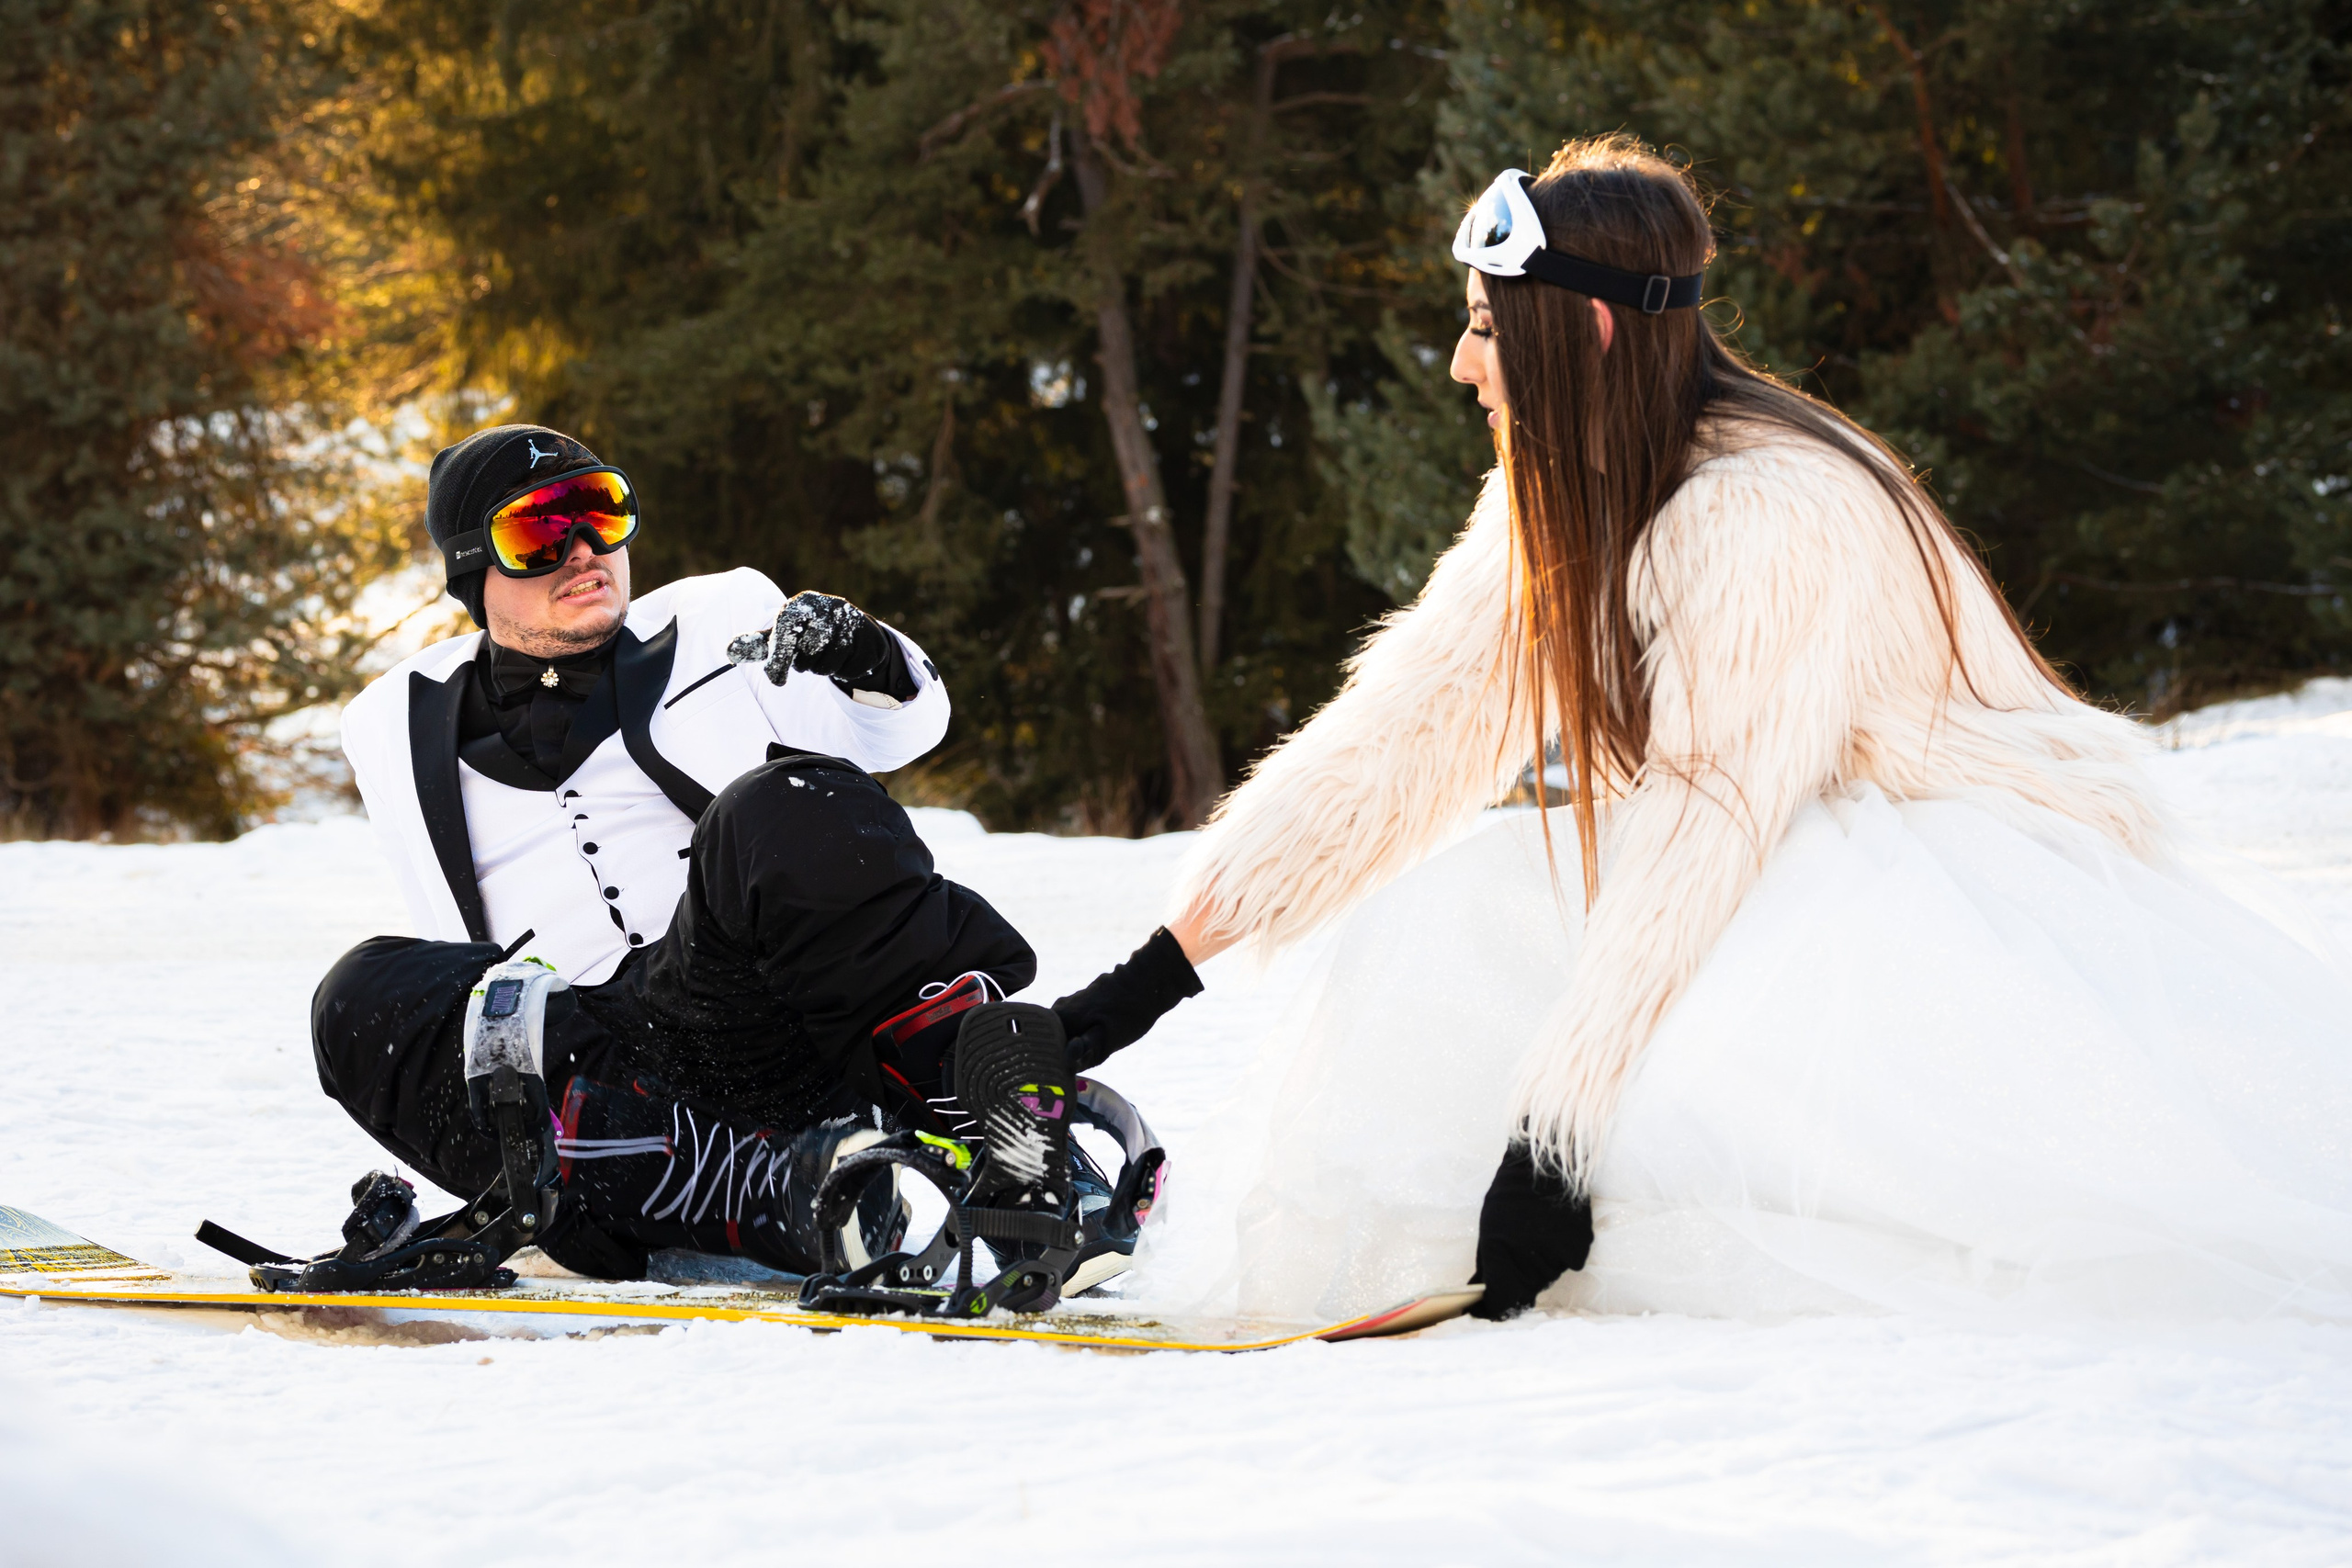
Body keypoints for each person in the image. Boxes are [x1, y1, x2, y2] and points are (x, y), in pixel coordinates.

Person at [1153, 135, 2352, 1325]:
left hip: (1944, 862)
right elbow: (1408, 727)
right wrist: (1148, 975)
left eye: (1485, 324)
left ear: (1593, 331)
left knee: (1693, 1039)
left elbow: (1704, 824)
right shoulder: (1563, 480)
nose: (1465, 363)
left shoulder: (1769, 510)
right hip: (1767, 840)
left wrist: (1551, 1146)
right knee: (1452, 917)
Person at [314, 423, 1201, 1284]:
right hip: (594, 1065)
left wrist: (863, 650)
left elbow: (902, 726)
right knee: (360, 992)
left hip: (750, 1009)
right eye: (539, 530)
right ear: (472, 568)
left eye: (601, 510)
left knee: (787, 800)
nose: (584, 547)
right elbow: (456, 948)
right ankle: (775, 1192)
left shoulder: (716, 624)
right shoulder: (394, 726)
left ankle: (1008, 1158)